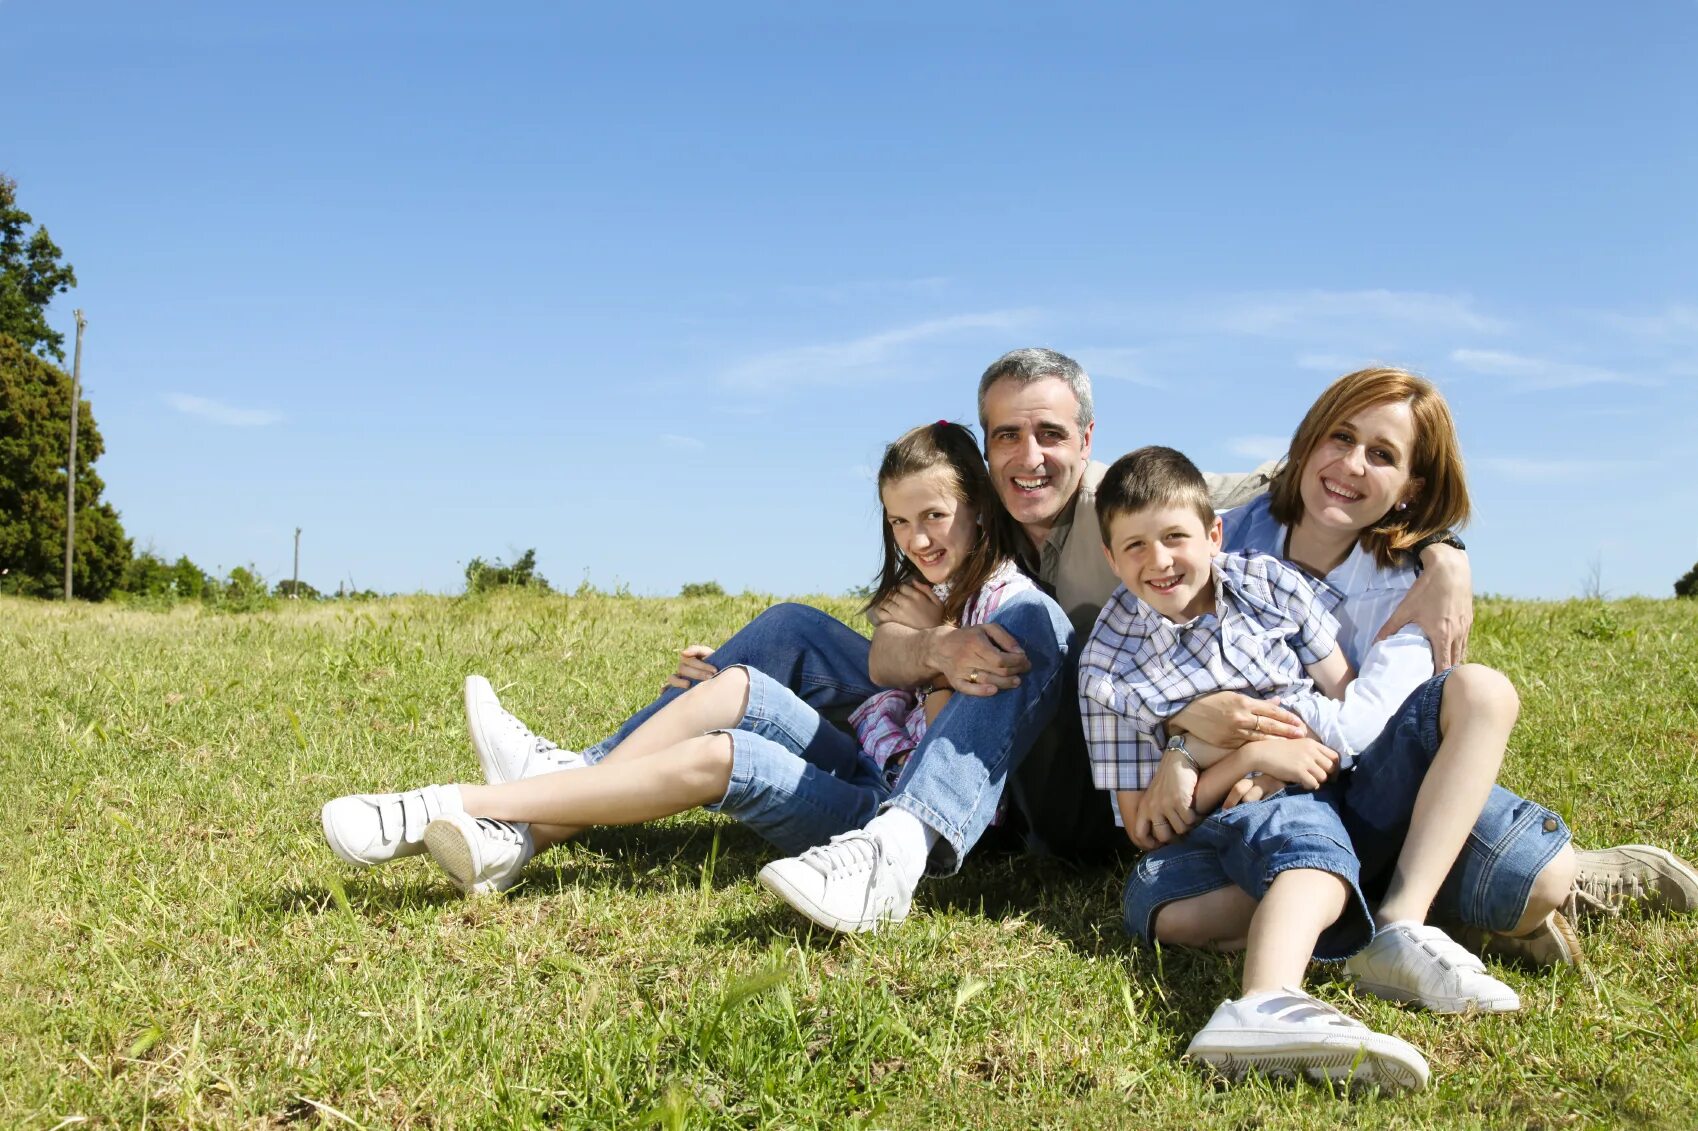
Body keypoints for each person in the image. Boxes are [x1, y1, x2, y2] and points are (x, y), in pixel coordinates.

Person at [1110, 367, 1698, 1087]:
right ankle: (1385, 922)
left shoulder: (1409, 582)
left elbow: (1358, 728)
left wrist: (1443, 555)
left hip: (1376, 785)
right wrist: (1180, 734)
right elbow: (1148, 507)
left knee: (1539, 875)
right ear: (1309, 441)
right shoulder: (1237, 527)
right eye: (1340, 437)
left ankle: (1408, 919)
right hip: (1279, 803)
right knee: (1179, 914)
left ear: (1412, 486)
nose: (1351, 466)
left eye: (1383, 455)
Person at [317, 421, 1045, 898]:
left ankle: (451, 807)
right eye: (899, 521)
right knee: (733, 685)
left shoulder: (1005, 610)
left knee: (724, 754)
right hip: (864, 765)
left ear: (978, 508)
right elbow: (890, 680)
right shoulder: (937, 591)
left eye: (933, 516)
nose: (916, 538)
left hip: (891, 809)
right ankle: (539, 809)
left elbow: (946, 739)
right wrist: (916, 656)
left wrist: (929, 671)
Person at [1081, 443, 1524, 1091]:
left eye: (1175, 536)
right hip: (1228, 824)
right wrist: (1245, 758)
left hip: (1330, 774)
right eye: (1135, 546)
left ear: (1213, 533)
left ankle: (1390, 927)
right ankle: (1266, 999)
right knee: (1297, 838)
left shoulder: (1270, 584)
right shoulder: (1106, 666)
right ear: (1109, 557)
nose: (1160, 561)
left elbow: (1346, 704)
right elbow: (1145, 827)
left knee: (1481, 697)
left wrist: (1291, 755)